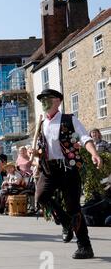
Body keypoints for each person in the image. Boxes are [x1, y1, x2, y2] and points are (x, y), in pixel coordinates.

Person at [34, 89, 102, 259]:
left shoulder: (69, 119)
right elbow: (44, 147)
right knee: (41, 197)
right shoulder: (42, 123)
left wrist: (94, 154)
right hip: (49, 169)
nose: (44, 101)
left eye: (47, 98)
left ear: (58, 101)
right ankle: (65, 222)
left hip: (68, 168)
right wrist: (35, 155)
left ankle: (85, 247)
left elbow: (85, 138)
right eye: (42, 99)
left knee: (74, 207)